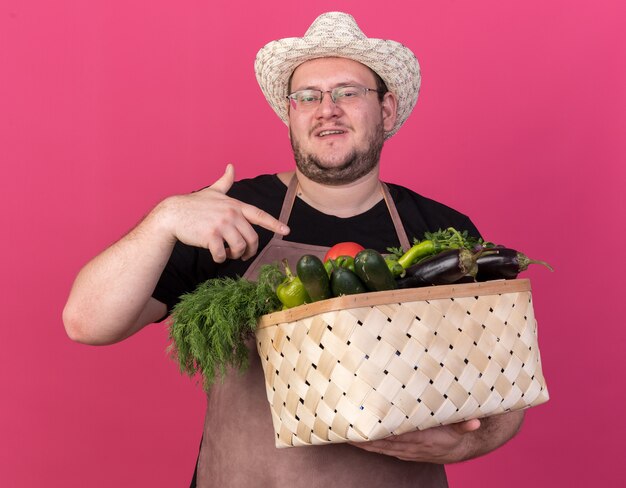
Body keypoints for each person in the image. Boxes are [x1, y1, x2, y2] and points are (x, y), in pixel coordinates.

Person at [63, 12, 524, 488]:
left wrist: (468, 443)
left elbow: (511, 389)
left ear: (385, 110)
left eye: (348, 92)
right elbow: (86, 322)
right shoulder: (228, 216)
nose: (327, 108)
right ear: (292, 113)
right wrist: (163, 220)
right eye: (307, 96)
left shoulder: (443, 234)